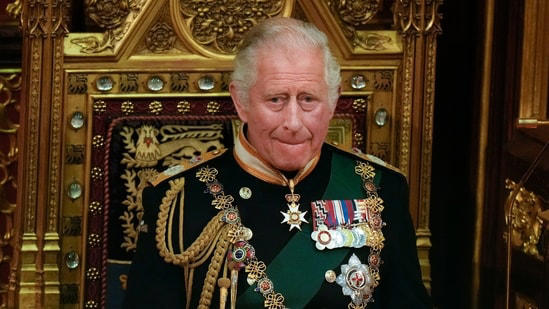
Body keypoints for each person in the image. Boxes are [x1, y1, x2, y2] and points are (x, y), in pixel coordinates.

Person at [124, 17, 431, 309]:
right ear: (241, 101)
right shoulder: (178, 198)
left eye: (309, 99)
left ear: (334, 100)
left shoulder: (379, 188)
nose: (294, 122)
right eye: (276, 100)